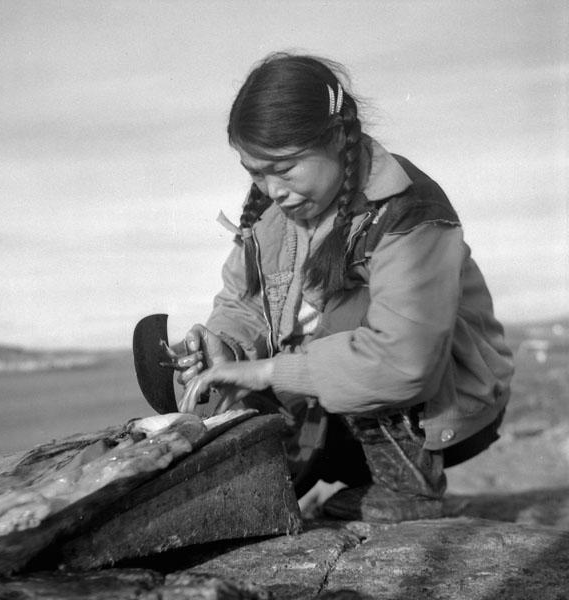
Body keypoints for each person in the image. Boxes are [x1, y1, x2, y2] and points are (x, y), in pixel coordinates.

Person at [166, 52, 514, 522]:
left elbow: (405, 362)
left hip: (437, 416)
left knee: (357, 320)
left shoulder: (407, 213)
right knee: (240, 479)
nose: (271, 190)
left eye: (285, 169)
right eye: (255, 173)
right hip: (331, 411)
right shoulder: (271, 216)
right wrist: (225, 344)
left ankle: (408, 492)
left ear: (333, 138)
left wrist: (268, 373)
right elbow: (242, 303)